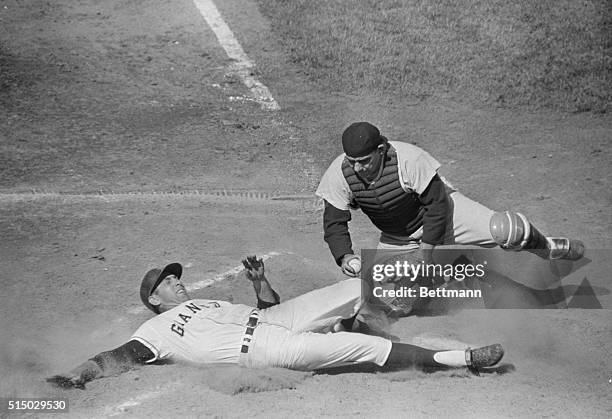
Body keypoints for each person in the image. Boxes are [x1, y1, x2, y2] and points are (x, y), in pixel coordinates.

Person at [46, 256, 504, 389]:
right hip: (267, 353)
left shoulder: (203, 301)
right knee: (363, 352)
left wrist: (261, 284)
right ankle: (463, 359)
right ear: (153, 299)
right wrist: (79, 374)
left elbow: (266, 309)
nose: (176, 283)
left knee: (355, 284)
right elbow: (117, 357)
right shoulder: (152, 333)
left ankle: (467, 280)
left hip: (274, 322)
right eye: (167, 283)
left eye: (175, 278)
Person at [315, 121, 585, 278]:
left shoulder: (409, 159)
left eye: (364, 161)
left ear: (381, 150)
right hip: (398, 236)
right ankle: (453, 273)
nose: (357, 168)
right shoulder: (339, 173)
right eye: (353, 162)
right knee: (390, 299)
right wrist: (345, 257)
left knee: (510, 230)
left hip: (449, 218)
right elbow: (334, 223)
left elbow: (437, 205)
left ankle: (546, 247)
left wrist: (426, 250)